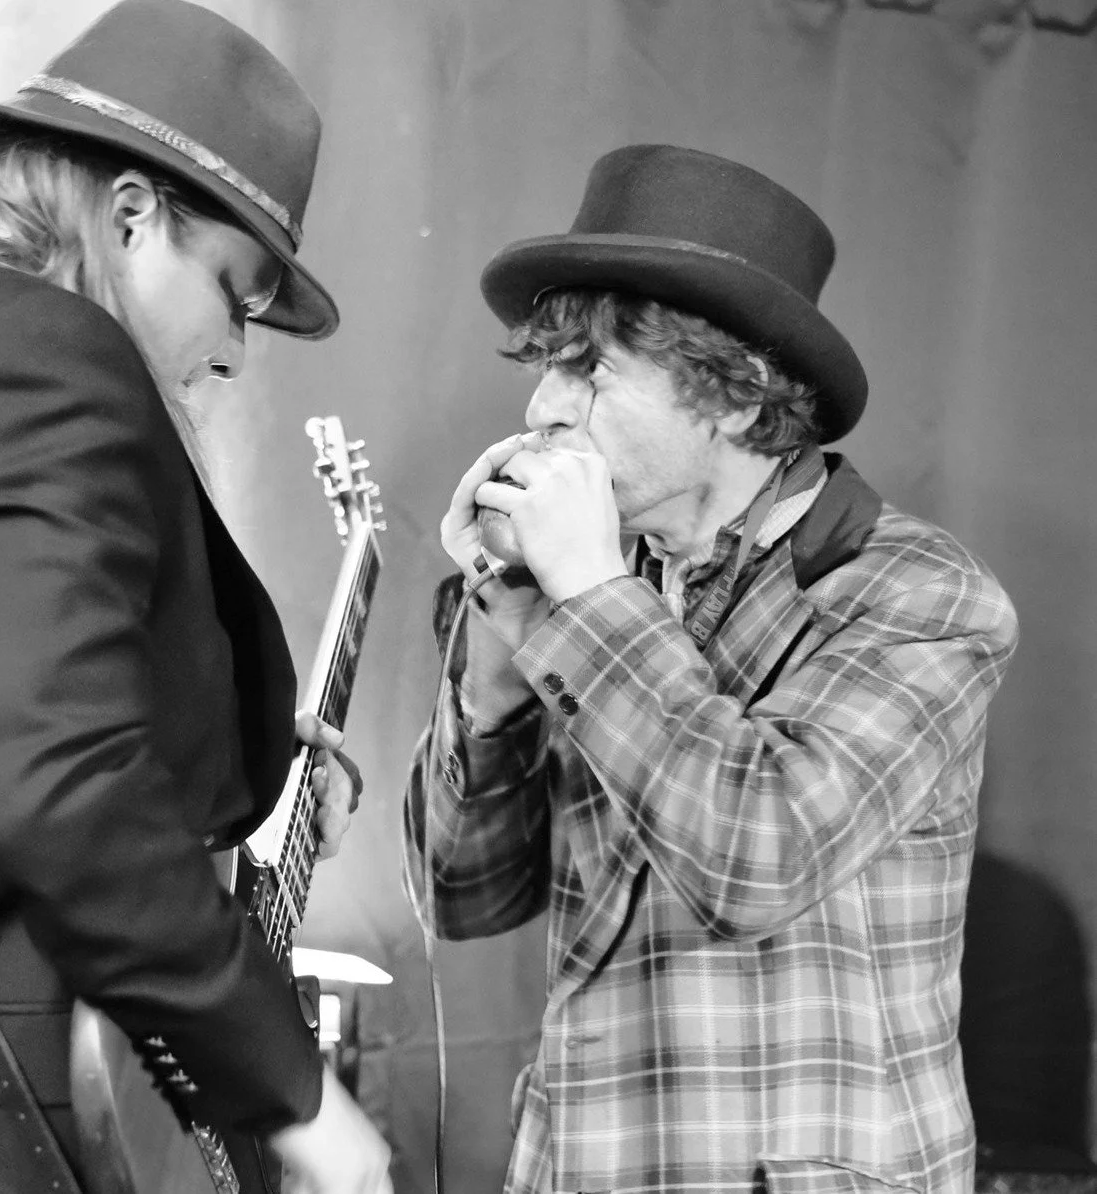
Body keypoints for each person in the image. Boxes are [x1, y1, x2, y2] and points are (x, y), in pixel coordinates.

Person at [404, 144, 1019, 1194]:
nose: (542, 409)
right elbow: (461, 898)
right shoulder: (593, 587)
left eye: (589, 369)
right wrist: (492, 680)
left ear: (737, 395)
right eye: (545, 367)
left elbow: (756, 857)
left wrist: (588, 596)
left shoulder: (919, 593)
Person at [0, 2, 391, 1192]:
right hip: (5, 1085)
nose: (234, 351)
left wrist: (234, 737)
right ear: (129, 215)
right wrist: (292, 1091)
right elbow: (52, 780)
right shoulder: (40, 353)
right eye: (236, 294)